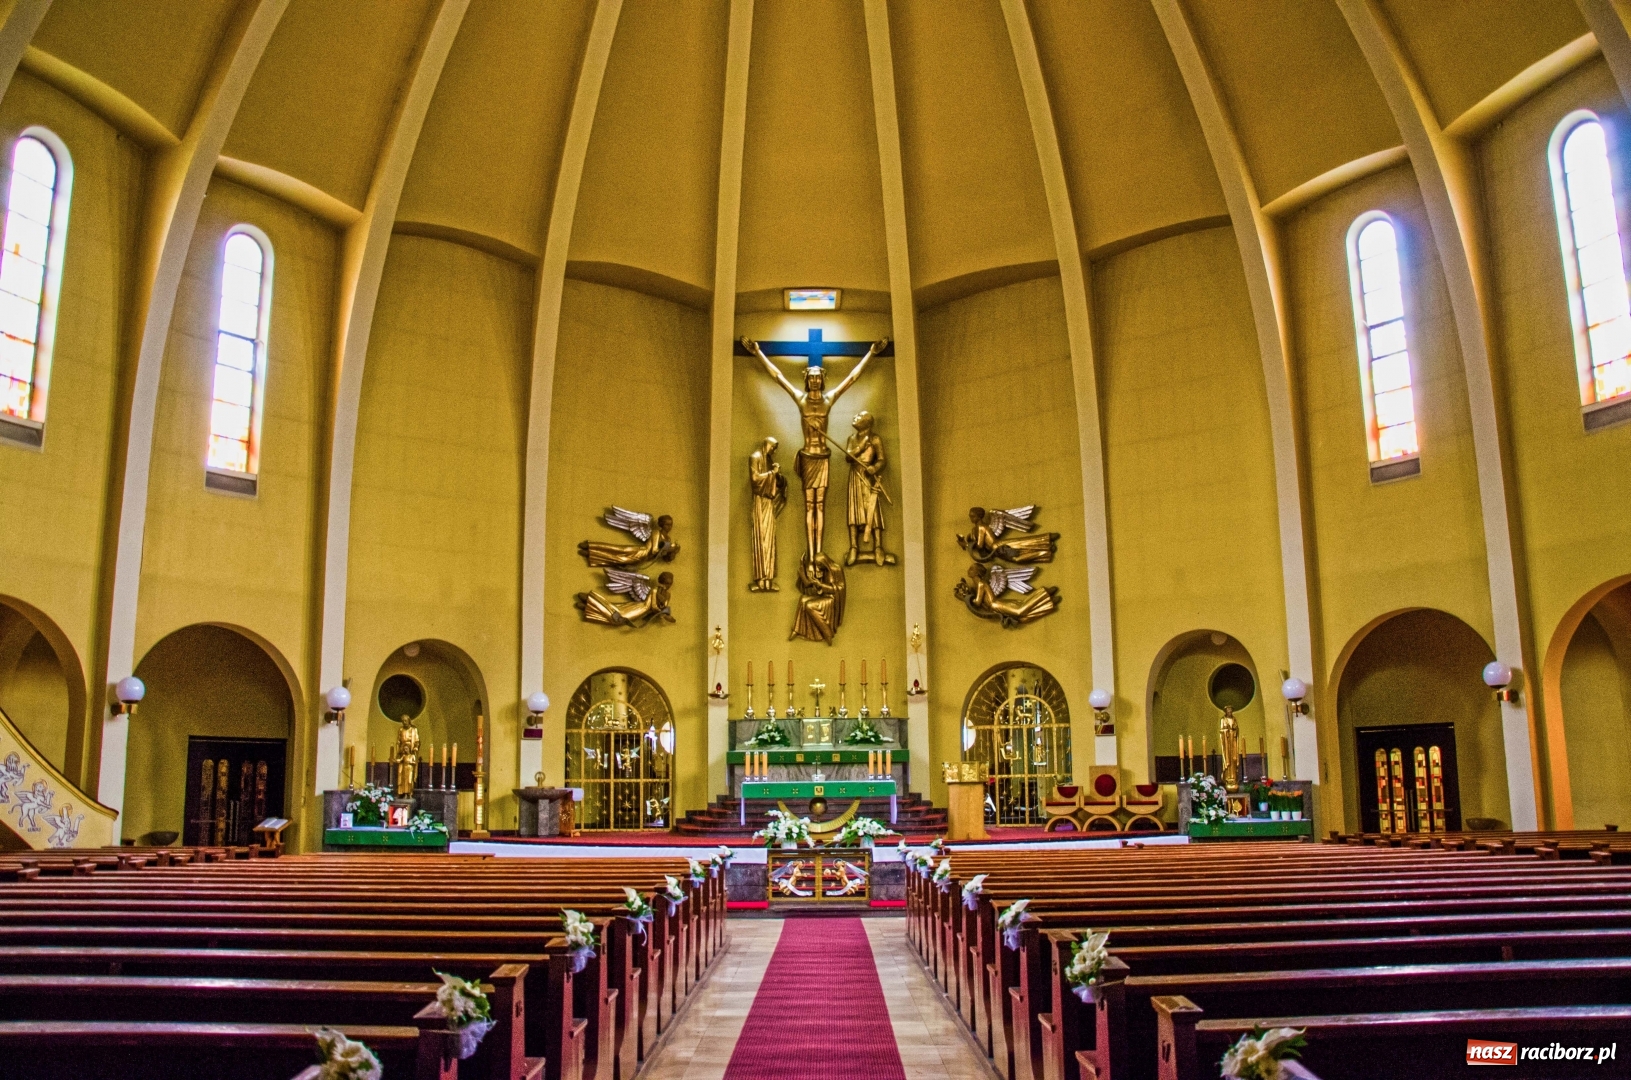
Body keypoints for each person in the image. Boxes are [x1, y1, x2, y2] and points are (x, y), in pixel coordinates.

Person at [745, 337, 886, 560]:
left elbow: (851, 378)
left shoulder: (828, 401)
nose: (814, 381)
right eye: (810, 378)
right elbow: (778, 377)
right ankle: (810, 556)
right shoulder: (801, 400)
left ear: (822, 380)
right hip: (807, 456)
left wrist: (871, 353)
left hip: (823, 457)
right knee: (809, 506)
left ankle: (818, 555)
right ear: (806, 381)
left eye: (817, 378)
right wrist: (757, 352)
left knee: (820, 506)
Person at [844, 411, 895, 567]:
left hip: (868, 476)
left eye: (859, 417)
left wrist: (874, 468)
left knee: (873, 511)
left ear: (866, 423)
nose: (855, 417)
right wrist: (859, 448)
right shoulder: (852, 439)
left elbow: (882, 460)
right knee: (854, 512)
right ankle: (854, 546)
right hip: (855, 475)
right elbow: (848, 457)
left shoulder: (875, 439)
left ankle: (878, 546)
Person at [749, 436, 786, 591]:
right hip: (759, 502)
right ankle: (760, 579)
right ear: (767, 445)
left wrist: (777, 476)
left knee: (770, 540)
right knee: (760, 538)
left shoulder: (769, 461)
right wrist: (772, 473)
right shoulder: (755, 458)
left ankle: (768, 578)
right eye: (773, 447)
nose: (774, 451)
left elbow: (778, 484)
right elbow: (755, 478)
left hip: (769, 503)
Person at [790, 553, 847, 644]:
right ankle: (797, 630)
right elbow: (816, 587)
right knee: (803, 599)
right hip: (824, 595)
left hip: (831, 599)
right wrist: (803, 568)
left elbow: (840, 588)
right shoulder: (823, 571)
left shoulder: (836, 569)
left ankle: (827, 633)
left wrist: (821, 585)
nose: (818, 567)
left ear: (824, 562)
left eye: (819, 564)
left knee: (809, 606)